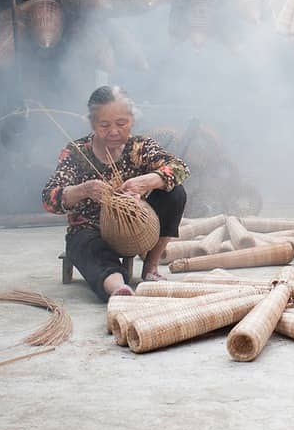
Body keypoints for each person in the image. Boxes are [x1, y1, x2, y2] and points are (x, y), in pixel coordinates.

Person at [43, 85, 189, 299]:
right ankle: (118, 289)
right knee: (89, 247)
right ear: (92, 123)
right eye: (104, 125)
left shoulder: (140, 147)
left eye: (121, 124)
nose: (113, 131)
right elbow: (49, 198)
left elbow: (179, 168)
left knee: (175, 192)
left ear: (132, 119)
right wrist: (83, 190)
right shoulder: (76, 152)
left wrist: (145, 182)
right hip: (91, 231)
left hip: (136, 229)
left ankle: (151, 267)